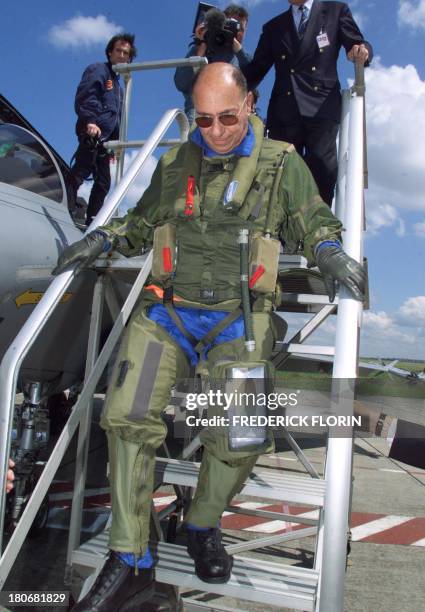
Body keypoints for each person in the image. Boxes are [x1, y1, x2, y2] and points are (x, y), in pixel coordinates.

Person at [53, 63, 366, 611]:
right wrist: (101, 237)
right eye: (204, 119)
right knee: (126, 416)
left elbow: (311, 220)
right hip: (169, 312)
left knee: (241, 434)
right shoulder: (175, 162)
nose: (216, 130)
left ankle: (200, 523)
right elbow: (142, 224)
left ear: (249, 104)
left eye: (226, 117)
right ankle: (130, 559)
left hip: (239, 320)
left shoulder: (282, 164)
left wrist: (330, 251)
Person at [242, 0, 373, 206]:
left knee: (322, 169)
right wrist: (227, 83)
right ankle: (281, 233)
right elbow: (256, 69)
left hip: (322, 105)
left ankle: (320, 228)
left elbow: (357, 43)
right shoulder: (273, 27)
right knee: (280, 172)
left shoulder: (336, 11)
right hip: (284, 111)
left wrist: (361, 51)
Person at [68, 33, 137, 226]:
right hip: (92, 132)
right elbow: (87, 95)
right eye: (119, 51)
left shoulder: (118, 87)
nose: (122, 56)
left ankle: (92, 219)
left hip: (105, 139)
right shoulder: (99, 70)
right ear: (110, 52)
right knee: (81, 169)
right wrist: (90, 121)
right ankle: (68, 207)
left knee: (104, 181)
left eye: (126, 53)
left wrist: (115, 141)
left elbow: (116, 117)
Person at [174, 5, 251, 125]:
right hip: (199, 120)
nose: (237, 31)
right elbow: (181, 83)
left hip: (232, 122)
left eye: (241, 28)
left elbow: (254, 79)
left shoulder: (244, 59)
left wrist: (238, 50)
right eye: (230, 24)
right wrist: (200, 47)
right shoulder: (200, 48)